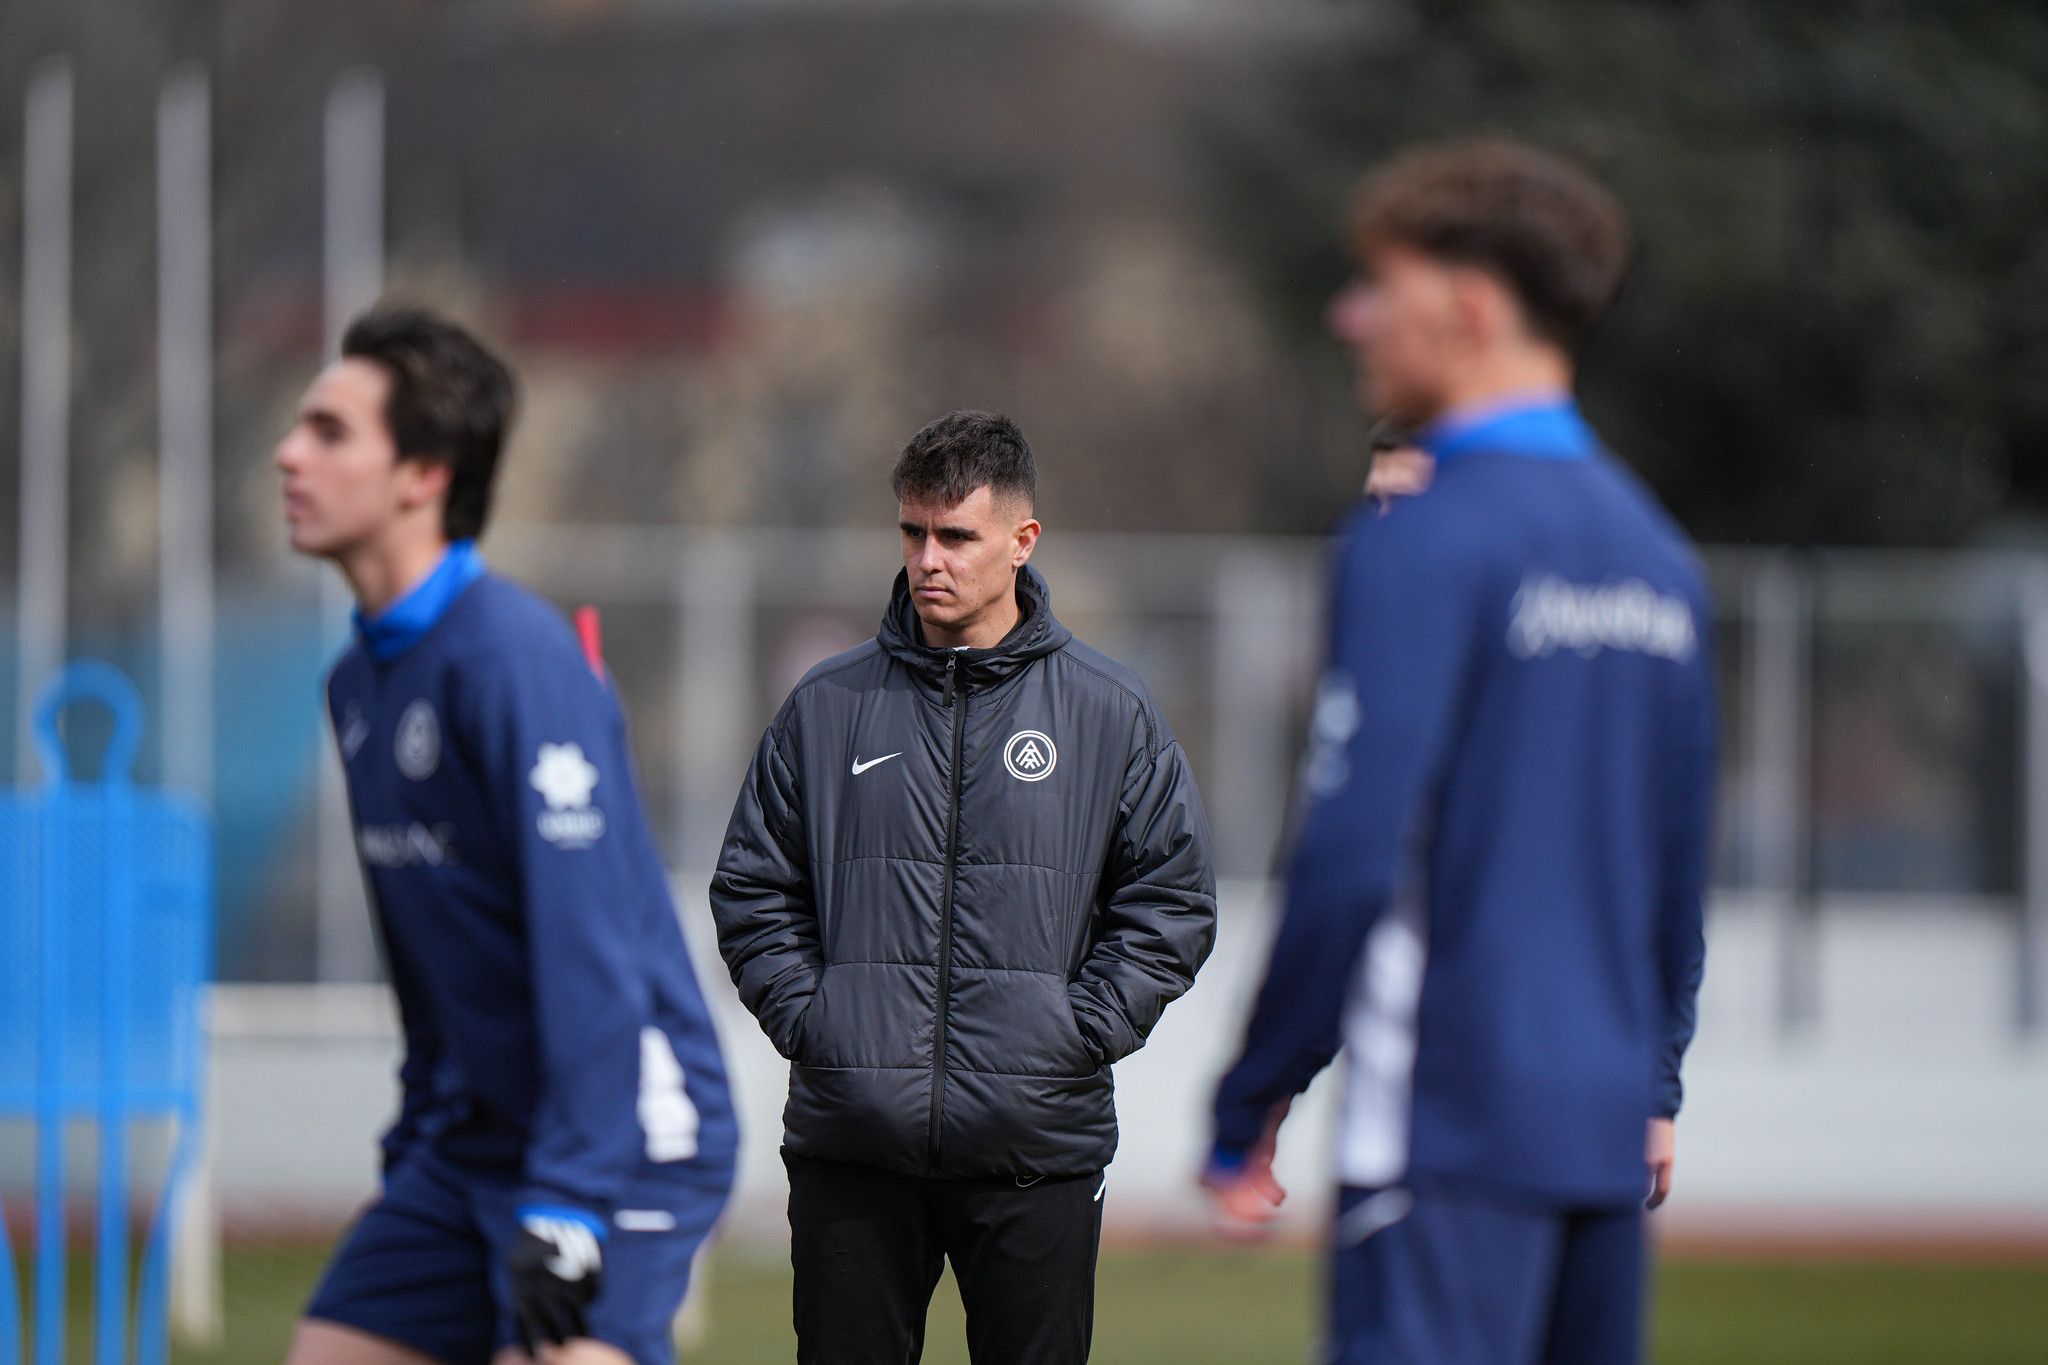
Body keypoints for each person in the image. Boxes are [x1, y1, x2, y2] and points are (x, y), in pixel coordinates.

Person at [1204, 139, 1715, 1364]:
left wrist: (1253, 1090)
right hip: (1596, 1134)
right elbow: (1672, 863)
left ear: (1469, 307)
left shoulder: (1420, 535)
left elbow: (1349, 850)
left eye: (1377, 282)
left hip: (1445, 1127)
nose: (1349, 315)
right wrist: (1651, 1082)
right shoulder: (1656, 553)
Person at [276, 307, 738, 1365]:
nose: (288, 453)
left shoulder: (514, 663)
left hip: (620, 1136)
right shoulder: (358, 684)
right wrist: (414, 1137)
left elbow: (591, 952)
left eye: (329, 430)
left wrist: (572, 1198)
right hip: (474, 1142)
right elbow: (429, 950)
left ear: (423, 473)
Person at [710, 410, 1218, 1364]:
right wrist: (824, 1025)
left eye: (956, 536)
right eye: (913, 533)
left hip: (1036, 1146)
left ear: (1022, 542)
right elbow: (752, 888)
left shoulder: (1110, 712)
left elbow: (1173, 899)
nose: (928, 560)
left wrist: (1075, 1033)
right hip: (853, 1144)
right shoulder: (828, 706)